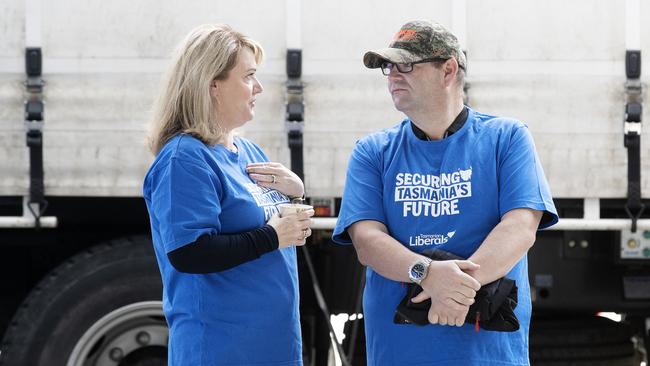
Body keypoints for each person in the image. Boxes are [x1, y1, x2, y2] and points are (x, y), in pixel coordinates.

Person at [332, 20, 558, 365]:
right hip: (400, 352)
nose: (392, 75)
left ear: (448, 69)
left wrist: (452, 291)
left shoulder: (507, 137)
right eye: (388, 67)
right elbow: (367, 241)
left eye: (405, 65)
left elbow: (520, 228)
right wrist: (428, 275)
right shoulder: (372, 150)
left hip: (488, 354)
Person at [143, 24, 313, 365]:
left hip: (273, 348)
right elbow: (190, 252)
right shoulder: (184, 159)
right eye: (248, 76)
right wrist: (270, 237)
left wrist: (296, 195)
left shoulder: (248, 150)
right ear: (213, 85)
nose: (259, 87)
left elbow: (273, 228)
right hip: (221, 349)